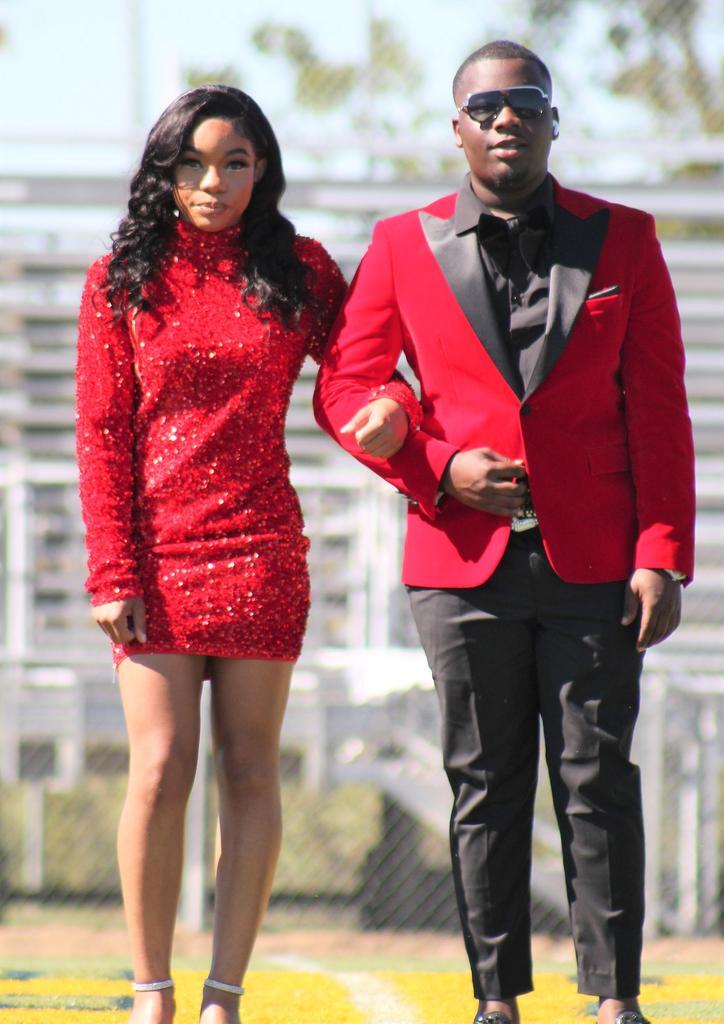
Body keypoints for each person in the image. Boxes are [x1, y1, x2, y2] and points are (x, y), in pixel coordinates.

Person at [314, 40, 695, 1024]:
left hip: (597, 563)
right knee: (484, 784)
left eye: (524, 101)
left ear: (553, 120)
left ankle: (614, 998)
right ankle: (497, 1001)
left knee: (597, 778)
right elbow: (344, 386)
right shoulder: (400, 244)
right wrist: (437, 466)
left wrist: (661, 553)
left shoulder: (624, 238)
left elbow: (659, 409)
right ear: (458, 129)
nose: (505, 118)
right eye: (484, 107)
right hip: (458, 563)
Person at [75, 84, 414, 1024]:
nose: (212, 181)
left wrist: (396, 407)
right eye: (191, 163)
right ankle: (152, 992)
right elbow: (100, 432)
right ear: (164, 171)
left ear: (262, 170)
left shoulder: (301, 270)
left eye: (234, 162)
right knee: (158, 768)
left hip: (262, 550)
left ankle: (224, 995)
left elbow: (361, 373)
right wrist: (112, 570)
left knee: (251, 769)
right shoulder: (120, 278)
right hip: (154, 558)